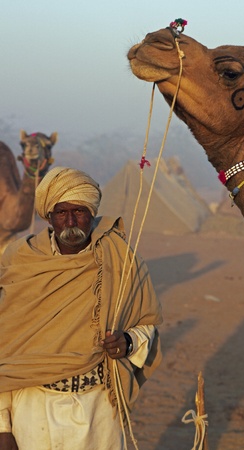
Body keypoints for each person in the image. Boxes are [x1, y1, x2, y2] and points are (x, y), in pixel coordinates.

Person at [0, 166, 163, 450]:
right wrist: (2, 428)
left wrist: (127, 341)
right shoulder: (20, 261)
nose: (71, 221)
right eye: (62, 212)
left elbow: (147, 329)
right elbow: (5, 349)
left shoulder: (121, 261)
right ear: (49, 217)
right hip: (32, 408)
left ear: (92, 213)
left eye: (80, 211)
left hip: (97, 409)